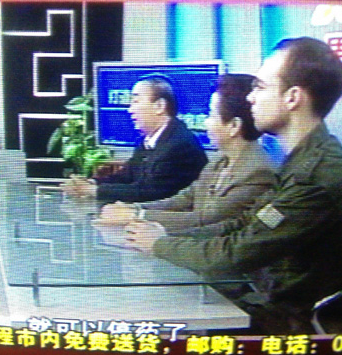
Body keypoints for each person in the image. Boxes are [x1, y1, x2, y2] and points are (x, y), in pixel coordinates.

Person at [125, 37, 342, 335]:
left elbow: (236, 253)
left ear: (293, 98)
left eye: (260, 87)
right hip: (277, 306)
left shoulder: (317, 174)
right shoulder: (303, 160)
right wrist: (162, 235)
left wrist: (160, 244)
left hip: (300, 328)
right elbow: (246, 224)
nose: (251, 98)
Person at [98, 74, 275, 235]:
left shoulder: (257, 171)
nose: (206, 123)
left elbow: (208, 219)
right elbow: (186, 198)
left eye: (211, 115)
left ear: (234, 126)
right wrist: (133, 208)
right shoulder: (220, 160)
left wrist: (138, 215)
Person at [62, 74, 207, 202]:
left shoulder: (180, 144)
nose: (130, 110)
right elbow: (126, 176)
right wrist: (92, 183)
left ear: (159, 106)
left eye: (136, 101)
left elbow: (149, 192)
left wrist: (93, 191)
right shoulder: (149, 140)